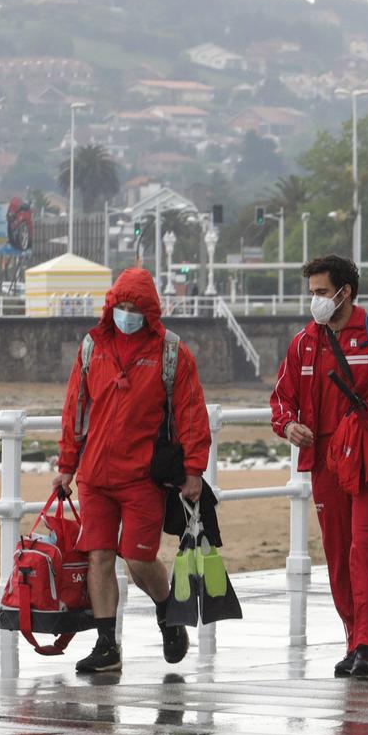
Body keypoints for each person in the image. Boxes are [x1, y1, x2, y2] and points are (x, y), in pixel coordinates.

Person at [269, 254, 368, 678]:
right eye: (312, 294)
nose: (315, 301)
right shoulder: (304, 343)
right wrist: (289, 426)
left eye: (322, 293)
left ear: (345, 292)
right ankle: (353, 638)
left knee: (366, 550)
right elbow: (280, 399)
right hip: (326, 465)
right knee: (339, 555)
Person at [56, 267, 211, 680]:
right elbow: (76, 409)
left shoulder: (172, 353)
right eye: (121, 306)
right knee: (99, 556)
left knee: (140, 561)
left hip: (142, 476)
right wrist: (66, 466)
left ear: (150, 310)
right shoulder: (93, 347)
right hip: (94, 476)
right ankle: (107, 645)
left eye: (135, 308)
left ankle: (168, 613)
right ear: (111, 307)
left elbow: (191, 413)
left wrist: (194, 470)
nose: (127, 314)